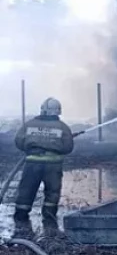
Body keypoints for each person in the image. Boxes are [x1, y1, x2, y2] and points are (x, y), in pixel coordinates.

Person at [13, 97, 74, 234]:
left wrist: (31, 149)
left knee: (26, 190)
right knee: (52, 192)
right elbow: (68, 147)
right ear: (58, 111)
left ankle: (21, 218)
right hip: (53, 166)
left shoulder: (29, 124)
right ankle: (49, 218)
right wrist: (55, 146)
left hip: (32, 164)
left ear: (42, 110)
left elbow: (18, 141)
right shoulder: (63, 127)